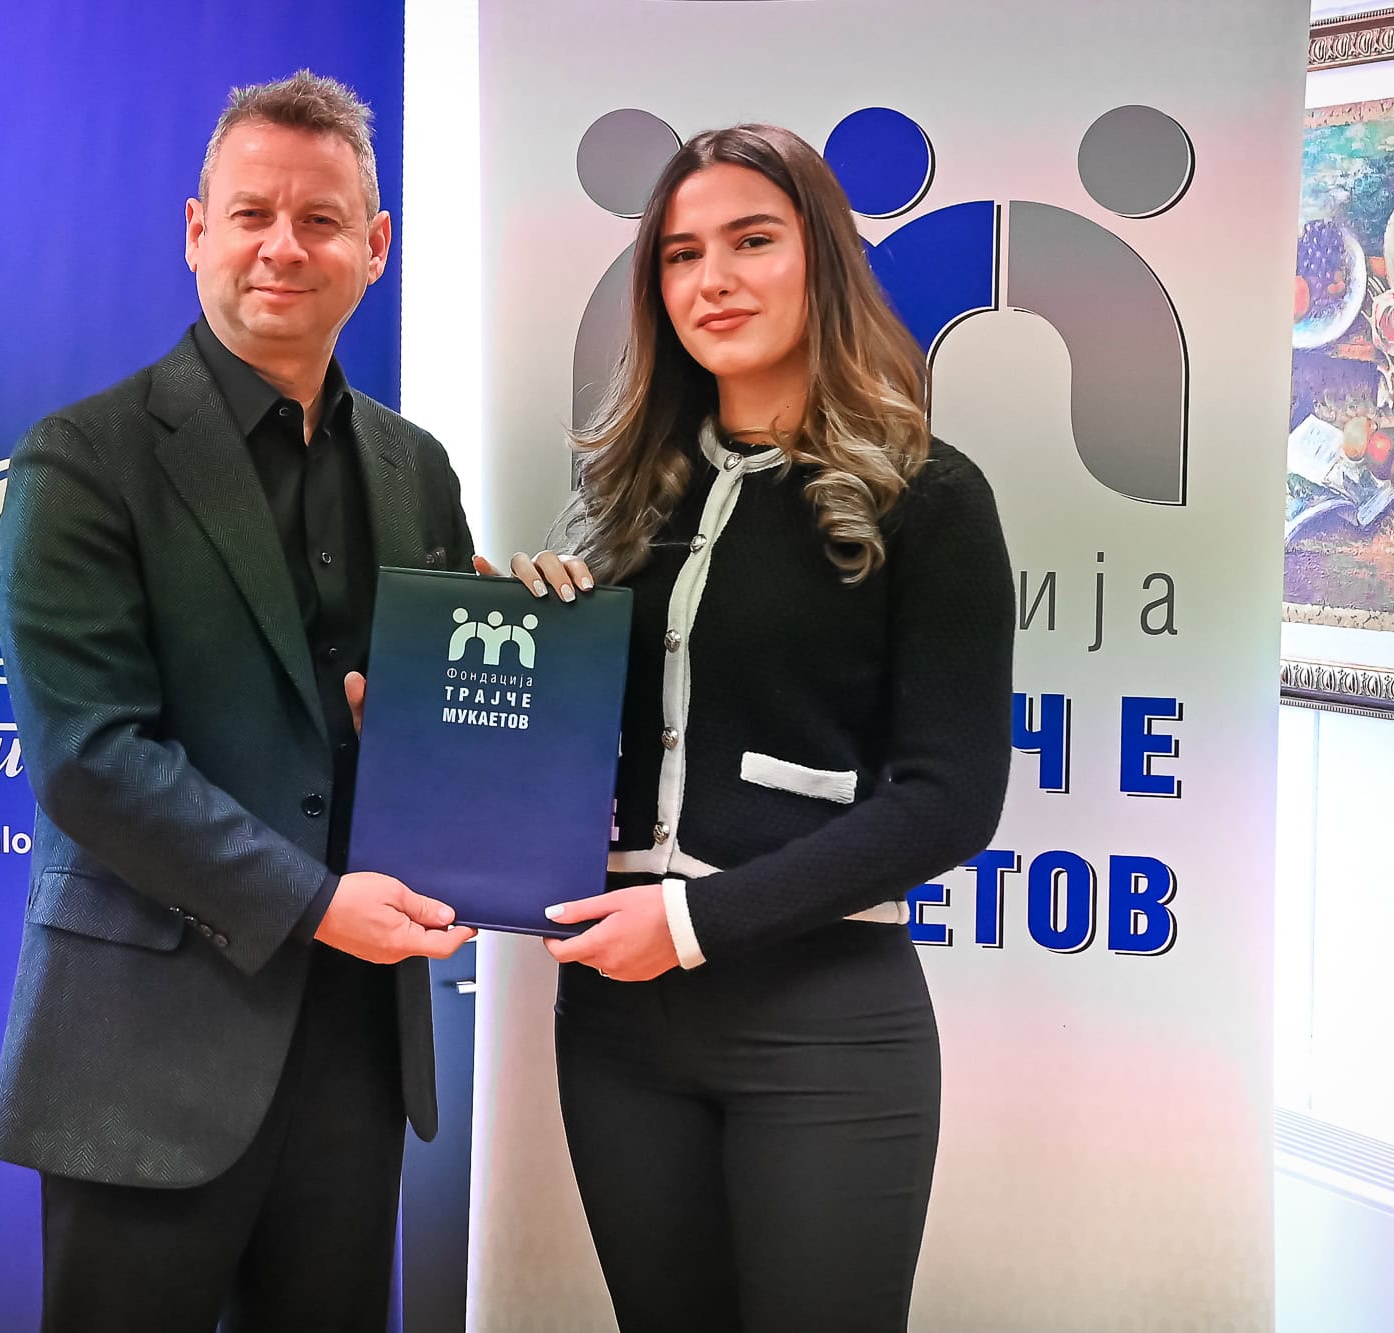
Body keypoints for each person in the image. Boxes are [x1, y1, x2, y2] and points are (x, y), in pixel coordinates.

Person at [0, 71, 480, 1332]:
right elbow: (90, 759)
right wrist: (312, 904)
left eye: (320, 220)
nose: (282, 247)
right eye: (252, 214)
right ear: (195, 230)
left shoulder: (416, 469)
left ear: (375, 246)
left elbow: (438, 723)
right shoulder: (82, 458)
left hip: (355, 1044)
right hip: (143, 1047)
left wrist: (516, 748)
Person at [520, 123, 1015, 1330]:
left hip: (821, 1017)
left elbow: (949, 799)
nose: (714, 279)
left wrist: (692, 922)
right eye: (681, 254)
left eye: (751, 241)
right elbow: (575, 762)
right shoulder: (620, 499)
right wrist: (501, 659)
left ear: (821, 261)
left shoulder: (928, 494)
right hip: (618, 1026)